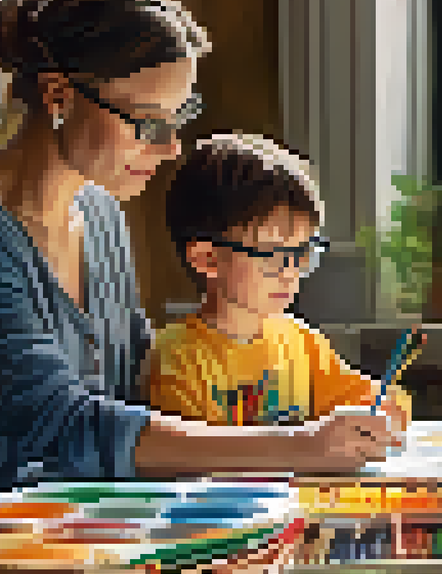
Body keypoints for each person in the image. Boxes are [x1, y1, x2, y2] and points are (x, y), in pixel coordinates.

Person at [0, 0, 397, 535]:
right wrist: (294, 446)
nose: (171, 146)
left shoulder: (101, 213)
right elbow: (57, 424)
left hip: (70, 531)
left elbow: (133, 390)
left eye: (178, 120)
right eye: (146, 122)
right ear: (59, 96)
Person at [142, 134, 414, 429]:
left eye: (303, 253)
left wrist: (386, 407)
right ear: (207, 259)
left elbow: (366, 399)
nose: (291, 272)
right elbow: (187, 456)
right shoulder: (176, 358)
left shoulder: (301, 342)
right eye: (274, 255)